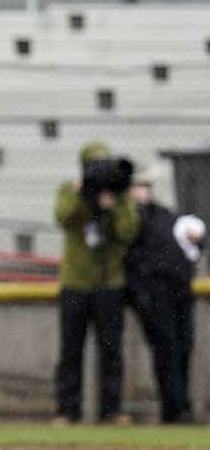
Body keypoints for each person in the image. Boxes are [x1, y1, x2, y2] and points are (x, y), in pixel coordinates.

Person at [54, 142, 139, 424]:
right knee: (71, 349)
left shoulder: (120, 195)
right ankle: (67, 410)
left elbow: (129, 232)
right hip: (75, 282)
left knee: (111, 349)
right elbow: (63, 218)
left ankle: (111, 410)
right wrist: (82, 195)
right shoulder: (71, 189)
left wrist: (113, 207)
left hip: (110, 283)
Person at [126, 169, 206, 423]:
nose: (142, 191)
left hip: (181, 290)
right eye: (137, 187)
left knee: (184, 347)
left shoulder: (165, 214)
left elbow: (192, 241)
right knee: (167, 349)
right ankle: (174, 409)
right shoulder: (130, 218)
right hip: (154, 292)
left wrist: (199, 240)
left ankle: (184, 406)